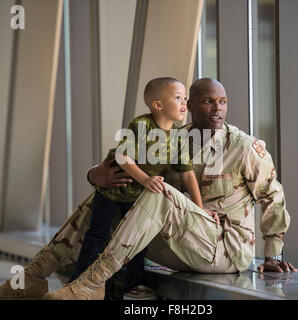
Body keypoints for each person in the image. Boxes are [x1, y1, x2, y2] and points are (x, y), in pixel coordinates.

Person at [0, 78, 297, 301]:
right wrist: (95, 175)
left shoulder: (243, 148)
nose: (217, 108)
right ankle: (32, 278)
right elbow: (115, 162)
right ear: (189, 105)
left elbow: (273, 196)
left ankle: (90, 283)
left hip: (224, 247)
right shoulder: (169, 136)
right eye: (207, 101)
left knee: (157, 191)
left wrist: (274, 254)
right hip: (180, 240)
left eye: (223, 102)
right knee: (112, 190)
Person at [69, 77, 204, 292]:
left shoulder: (178, 137)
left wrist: (200, 210)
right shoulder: (142, 125)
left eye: (185, 98)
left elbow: (187, 174)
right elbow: (124, 157)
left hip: (136, 195)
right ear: (158, 105)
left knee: (136, 239)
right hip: (112, 188)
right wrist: (146, 179)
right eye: (178, 98)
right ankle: (78, 282)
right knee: (98, 235)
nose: (184, 103)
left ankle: (135, 286)